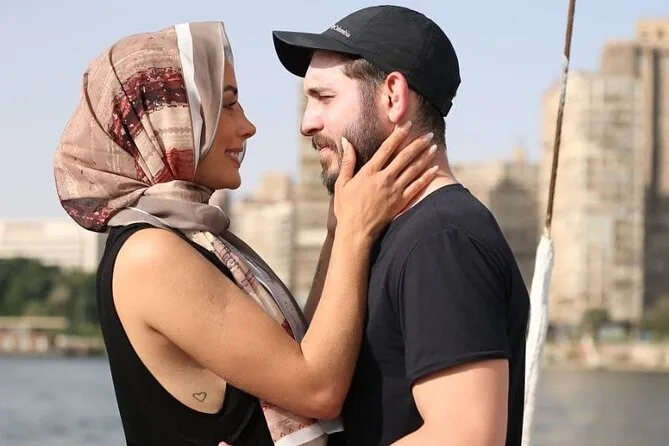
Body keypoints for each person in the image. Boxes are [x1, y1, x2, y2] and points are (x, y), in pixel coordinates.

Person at [53, 21, 439, 446]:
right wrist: (353, 232)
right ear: (167, 119)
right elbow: (318, 390)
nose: (248, 126)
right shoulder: (150, 253)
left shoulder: (189, 236)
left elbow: (305, 351)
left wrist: (336, 232)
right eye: (228, 104)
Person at [272, 5, 531, 446]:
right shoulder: (384, 232)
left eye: (324, 98)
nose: (306, 123)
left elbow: (465, 436)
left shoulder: (442, 239)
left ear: (393, 96)